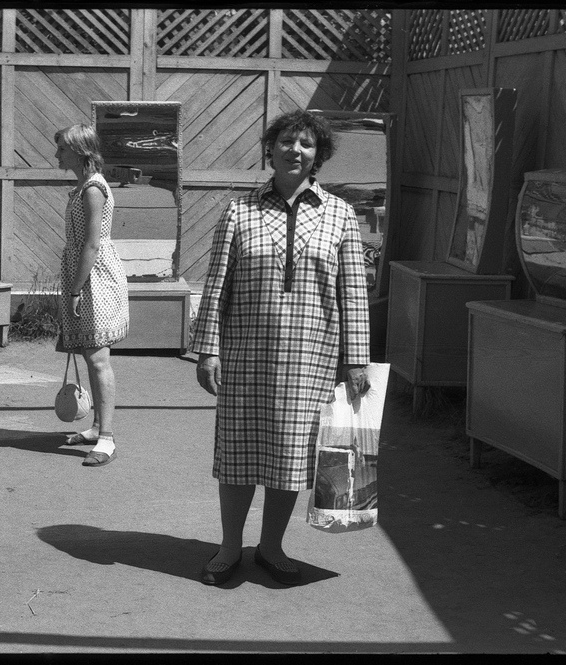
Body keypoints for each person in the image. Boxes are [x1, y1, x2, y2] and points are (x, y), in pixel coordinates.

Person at [190, 109, 371, 585]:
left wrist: (355, 360)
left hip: (311, 357)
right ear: (270, 150)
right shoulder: (240, 210)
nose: (295, 150)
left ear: (319, 156)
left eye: (306, 144)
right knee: (238, 453)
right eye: (287, 141)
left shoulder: (340, 215)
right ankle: (230, 548)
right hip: (246, 355)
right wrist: (208, 348)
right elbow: (217, 286)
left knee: (289, 457)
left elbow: (353, 292)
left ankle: (271, 547)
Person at [54, 124, 130, 467]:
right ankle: (98, 426)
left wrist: (75, 288)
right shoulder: (83, 186)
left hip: (95, 279)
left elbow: (92, 243)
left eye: (62, 150)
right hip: (86, 276)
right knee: (90, 354)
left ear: (80, 153)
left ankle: (108, 438)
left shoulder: (93, 189)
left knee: (99, 359)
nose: (57, 155)